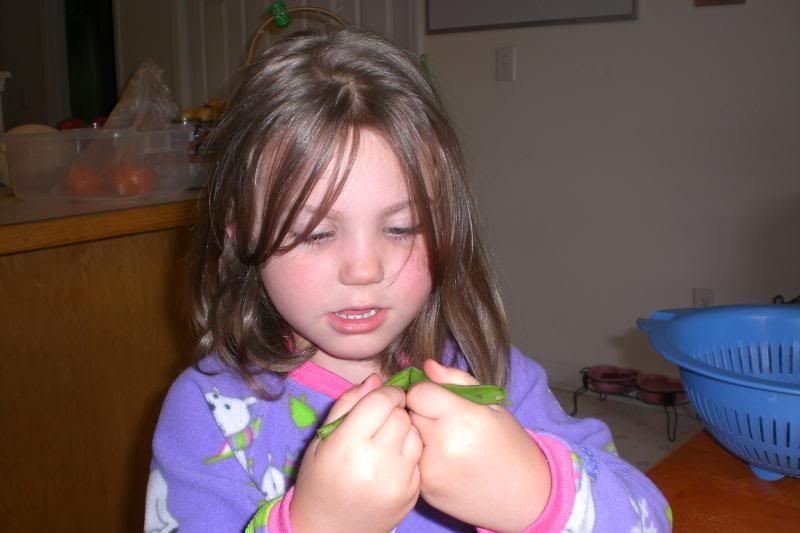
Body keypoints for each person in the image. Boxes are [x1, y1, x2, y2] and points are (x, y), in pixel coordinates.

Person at [145, 26, 671, 533]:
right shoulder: (209, 415)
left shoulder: (490, 372)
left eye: (402, 227)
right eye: (314, 234)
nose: (364, 269)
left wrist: (536, 492)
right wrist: (315, 526)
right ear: (239, 235)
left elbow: (650, 515)